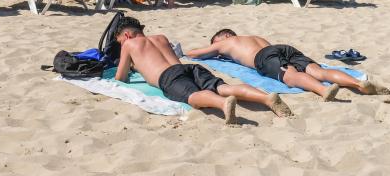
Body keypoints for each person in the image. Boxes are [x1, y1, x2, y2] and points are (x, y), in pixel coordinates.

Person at [112, 16, 293, 124]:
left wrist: (131, 66)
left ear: (126, 35)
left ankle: (223, 104)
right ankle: (266, 98)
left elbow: (120, 78)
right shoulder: (160, 37)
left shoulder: (129, 44)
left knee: (193, 97)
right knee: (223, 87)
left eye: (120, 40)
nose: (122, 43)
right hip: (188, 68)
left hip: (169, 78)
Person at [186, 29, 390, 100]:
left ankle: (322, 91)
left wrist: (189, 51)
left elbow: (196, 53)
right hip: (283, 47)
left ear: (223, 37)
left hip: (264, 57)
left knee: (290, 76)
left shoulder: (225, 43)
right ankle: (357, 84)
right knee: (319, 70)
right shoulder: (252, 36)